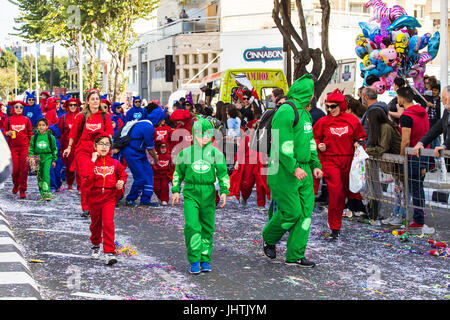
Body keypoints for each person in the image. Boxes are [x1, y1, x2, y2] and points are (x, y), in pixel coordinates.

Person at [262, 74, 323, 267]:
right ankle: (269, 238)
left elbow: (310, 142)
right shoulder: (286, 111)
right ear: (307, 92)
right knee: (291, 211)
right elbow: (282, 144)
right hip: (282, 168)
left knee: (305, 213)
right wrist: (294, 167)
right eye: (312, 91)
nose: (313, 96)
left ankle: (295, 255)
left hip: (303, 169)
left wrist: (315, 166)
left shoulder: (305, 114)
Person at [171, 116, 230, 274]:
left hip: (209, 193)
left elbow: (223, 174)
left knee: (207, 227)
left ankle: (205, 258)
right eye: (201, 133)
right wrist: (176, 189)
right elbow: (178, 172)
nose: (205, 136)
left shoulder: (216, 154)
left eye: (208, 133)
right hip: (191, 192)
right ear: (194, 134)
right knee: (192, 226)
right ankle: (194, 259)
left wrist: (224, 191)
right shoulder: (185, 153)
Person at [313, 89, 367, 239]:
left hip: (348, 162)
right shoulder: (323, 121)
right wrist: (319, 145)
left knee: (349, 192)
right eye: (328, 106)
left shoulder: (352, 120)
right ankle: (334, 227)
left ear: (341, 105)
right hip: (330, 161)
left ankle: (351, 214)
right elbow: (314, 137)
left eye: (333, 106)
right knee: (336, 194)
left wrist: (359, 143)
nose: (330, 109)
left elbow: (362, 137)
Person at [63, 90, 114, 217]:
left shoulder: (105, 116)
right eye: (92, 99)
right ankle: (85, 207)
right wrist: (69, 147)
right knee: (86, 177)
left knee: (99, 177)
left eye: (97, 99)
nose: (95, 101)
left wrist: (105, 144)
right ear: (87, 102)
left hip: (99, 151)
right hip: (83, 151)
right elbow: (73, 134)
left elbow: (109, 133)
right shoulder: (81, 116)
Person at [85, 134, 127, 265]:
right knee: (95, 224)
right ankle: (96, 244)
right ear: (95, 146)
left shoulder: (114, 162)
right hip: (94, 196)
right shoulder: (91, 162)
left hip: (109, 197)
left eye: (107, 144)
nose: (104, 147)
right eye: (101, 144)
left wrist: (121, 181)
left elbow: (123, 174)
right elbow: (85, 176)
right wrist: (92, 161)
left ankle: (109, 252)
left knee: (108, 223)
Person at [397, 86, 429, 231]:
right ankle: (419, 216)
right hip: (425, 154)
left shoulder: (406, 116)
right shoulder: (423, 113)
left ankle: (418, 218)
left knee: (414, 188)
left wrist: (401, 156)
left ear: (402, 99)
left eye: (398, 98)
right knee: (418, 187)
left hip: (412, 155)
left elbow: (405, 140)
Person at [365, 108, 403, 226]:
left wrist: (367, 150)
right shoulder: (383, 127)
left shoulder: (386, 127)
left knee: (401, 190)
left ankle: (400, 215)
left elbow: (382, 148)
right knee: (398, 190)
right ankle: (396, 214)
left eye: (369, 118)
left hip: (398, 162)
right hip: (394, 163)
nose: (367, 120)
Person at [117, 118, 162, 207]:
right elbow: (150, 147)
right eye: (162, 119)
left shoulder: (145, 123)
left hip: (139, 152)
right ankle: (130, 199)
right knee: (140, 177)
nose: (164, 122)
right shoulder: (148, 126)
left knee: (148, 173)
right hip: (132, 152)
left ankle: (146, 199)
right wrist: (156, 158)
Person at [229, 120, 270, 210]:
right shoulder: (247, 137)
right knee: (246, 184)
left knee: (261, 184)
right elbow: (241, 150)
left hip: (260, 163)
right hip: (248, 163)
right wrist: (237, 161)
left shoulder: (266, 137)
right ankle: (244, 196)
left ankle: (261, 204)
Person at [3, 101, 33, 199]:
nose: (19, 108)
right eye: (16, 107)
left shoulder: (26, 119)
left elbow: (30, 134)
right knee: (15, 169)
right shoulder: (8, 119)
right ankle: (16, 184)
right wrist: (7, 133)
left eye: (21, 107)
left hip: (25, 148)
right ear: (13, 108)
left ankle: (22, 189)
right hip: (13, 148)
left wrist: (30, 147)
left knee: (24, 170)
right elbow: (3, 131)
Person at [413, 85, 450, 159]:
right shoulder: (446, 112)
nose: (441, 100)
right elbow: (436, 129)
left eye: (443, 97)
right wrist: (422, 142)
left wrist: (445, 145)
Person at [28, 118, 57, 201]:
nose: (41, 127)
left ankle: (47, 192)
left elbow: (54, 149)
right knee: (39, 176)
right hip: (38, 158)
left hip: (47, 157)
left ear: (47, 126)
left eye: (43, 125)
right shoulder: (34, 137)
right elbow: (31, 147)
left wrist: (54, 159)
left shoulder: (50, 137)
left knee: (46, 174)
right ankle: (42, 192)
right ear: (37, 126)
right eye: (40, 125)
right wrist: (31, 156)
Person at [59, 98, 81, 190]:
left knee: (80, 165)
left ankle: (80, 186)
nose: (72, 107)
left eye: (74, 105)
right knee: (69, 166)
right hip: (67, 145)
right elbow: (60, 132)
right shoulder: (63, 118)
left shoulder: (82, 116)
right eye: (70, 105)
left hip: (80, 144)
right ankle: (70, 183)